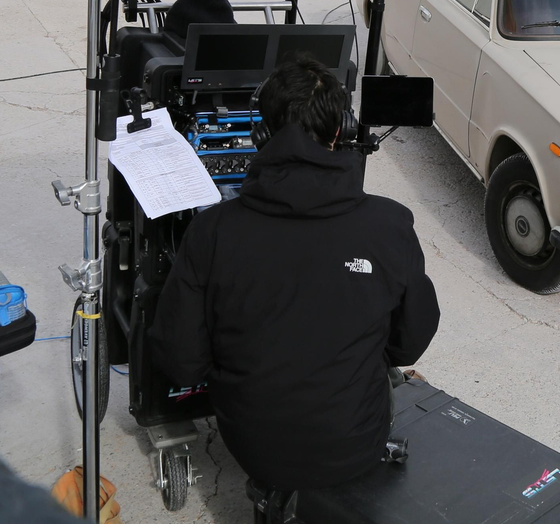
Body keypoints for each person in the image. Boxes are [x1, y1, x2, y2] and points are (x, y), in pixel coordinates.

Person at [150, 57, 440, 496]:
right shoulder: (391, 225)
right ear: (341, 131)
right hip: (356, 444)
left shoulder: (211, 231)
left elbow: (182, 361)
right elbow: (409, 343)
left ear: (261, 134)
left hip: (252, 446)